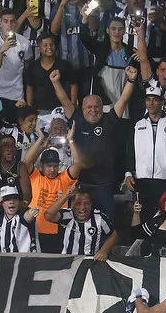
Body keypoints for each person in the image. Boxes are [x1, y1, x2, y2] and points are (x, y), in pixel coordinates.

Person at [52, 65, 136, 220]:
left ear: (102, 108)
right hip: (81, 185)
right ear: (82, 109)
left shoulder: (108, 120)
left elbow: (123, 99)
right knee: (81, 225)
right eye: (89, 107)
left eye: (97, 106)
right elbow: (64, 100)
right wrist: (56, 82)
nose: (93, 110)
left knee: (107, 225)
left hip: (104, 186)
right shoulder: (77, 119)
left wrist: (131, 80)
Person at [124, 86, 166, 224]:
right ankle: (144, 246)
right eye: (148, 100)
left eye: (155, 100)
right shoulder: (136, 124)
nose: (151, 103)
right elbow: (130, 150)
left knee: (164, 217)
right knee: (143, 218)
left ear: (162, 102)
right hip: (142, 180)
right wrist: (128, 172)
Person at [22, 125, 83, 253]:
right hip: (36, 229)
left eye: (55, 166)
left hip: (58, 229)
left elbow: (78, 164)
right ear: (42, 166)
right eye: (48, 166)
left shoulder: (64, 178)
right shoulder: (36, 177)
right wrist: (41, 142)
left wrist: (70, 140)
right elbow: (26, 163)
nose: (52, 169)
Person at [44, 184, 118, 260]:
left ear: (91, 204)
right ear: (72, 204)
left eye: (86, 203)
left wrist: (104, 251)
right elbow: (48, 215)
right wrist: (66, 195)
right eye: (78, 203)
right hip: (68, 262)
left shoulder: (99, 218)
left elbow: (113, 235)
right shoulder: (67, 216)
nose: (82, 208)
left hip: (90, 262)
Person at [0, 9, 32, 116]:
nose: (9, 25)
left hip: (16, 96)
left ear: (16, 23)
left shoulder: (25, 43)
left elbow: (27, 65)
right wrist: (2, 50)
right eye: (5, 21)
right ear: (0, 23)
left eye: (12, 21)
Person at [25, 32, 77, 119]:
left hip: (60, 109)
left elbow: (73, 85)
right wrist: (29, 109)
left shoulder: (64, 65)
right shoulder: (32, 66)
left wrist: (73, 105)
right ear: (39, 48)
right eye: (45, 45)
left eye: (51, 44)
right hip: (39, 110)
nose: (49, 47)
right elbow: (29, 88)